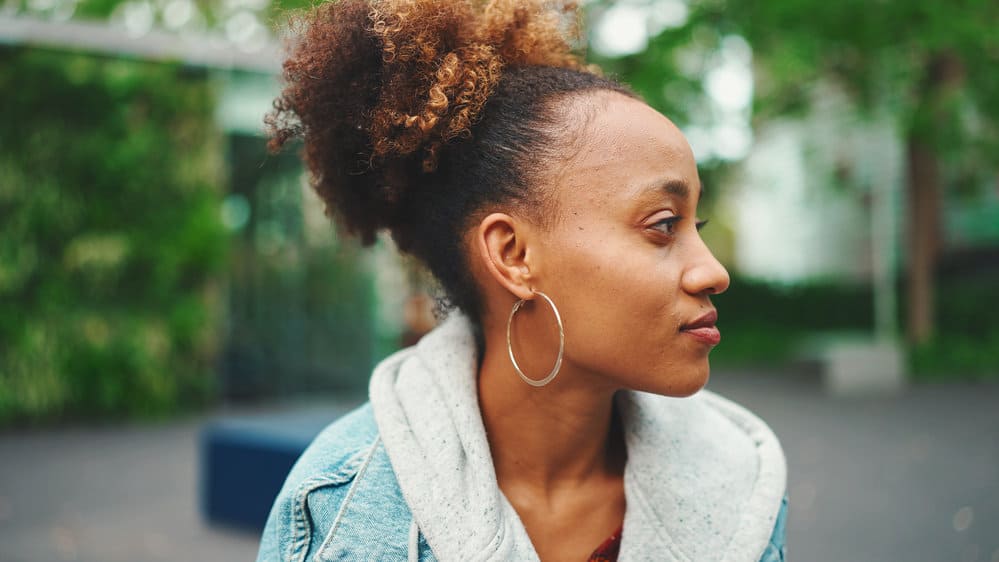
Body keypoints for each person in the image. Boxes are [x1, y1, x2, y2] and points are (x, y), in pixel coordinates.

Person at [257, 0, 788, 560]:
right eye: (663, 225)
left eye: (695, 225)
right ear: (513, 255)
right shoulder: (341, 511)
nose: (713, 271)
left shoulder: (741, 482)